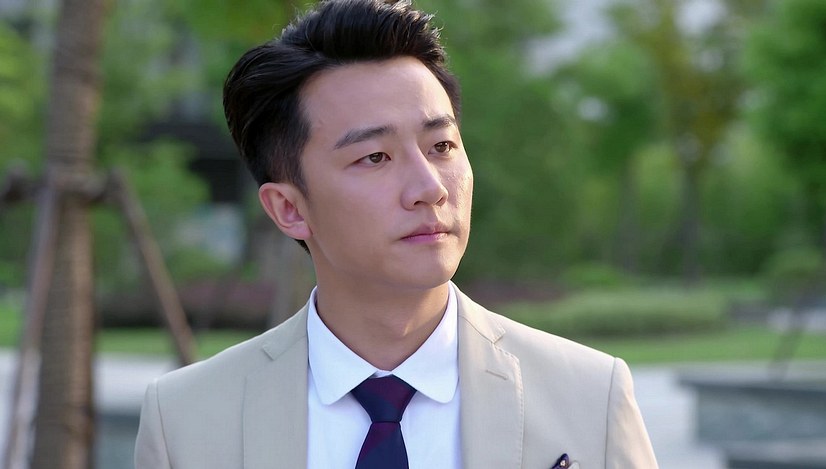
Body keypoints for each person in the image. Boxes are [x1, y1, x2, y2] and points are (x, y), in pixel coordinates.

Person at [134, 0, 658, 468]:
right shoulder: (186, 421)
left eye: (441, 146)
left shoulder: (590, 397)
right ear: (289, 209)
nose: (430, 188)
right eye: (375, 157)